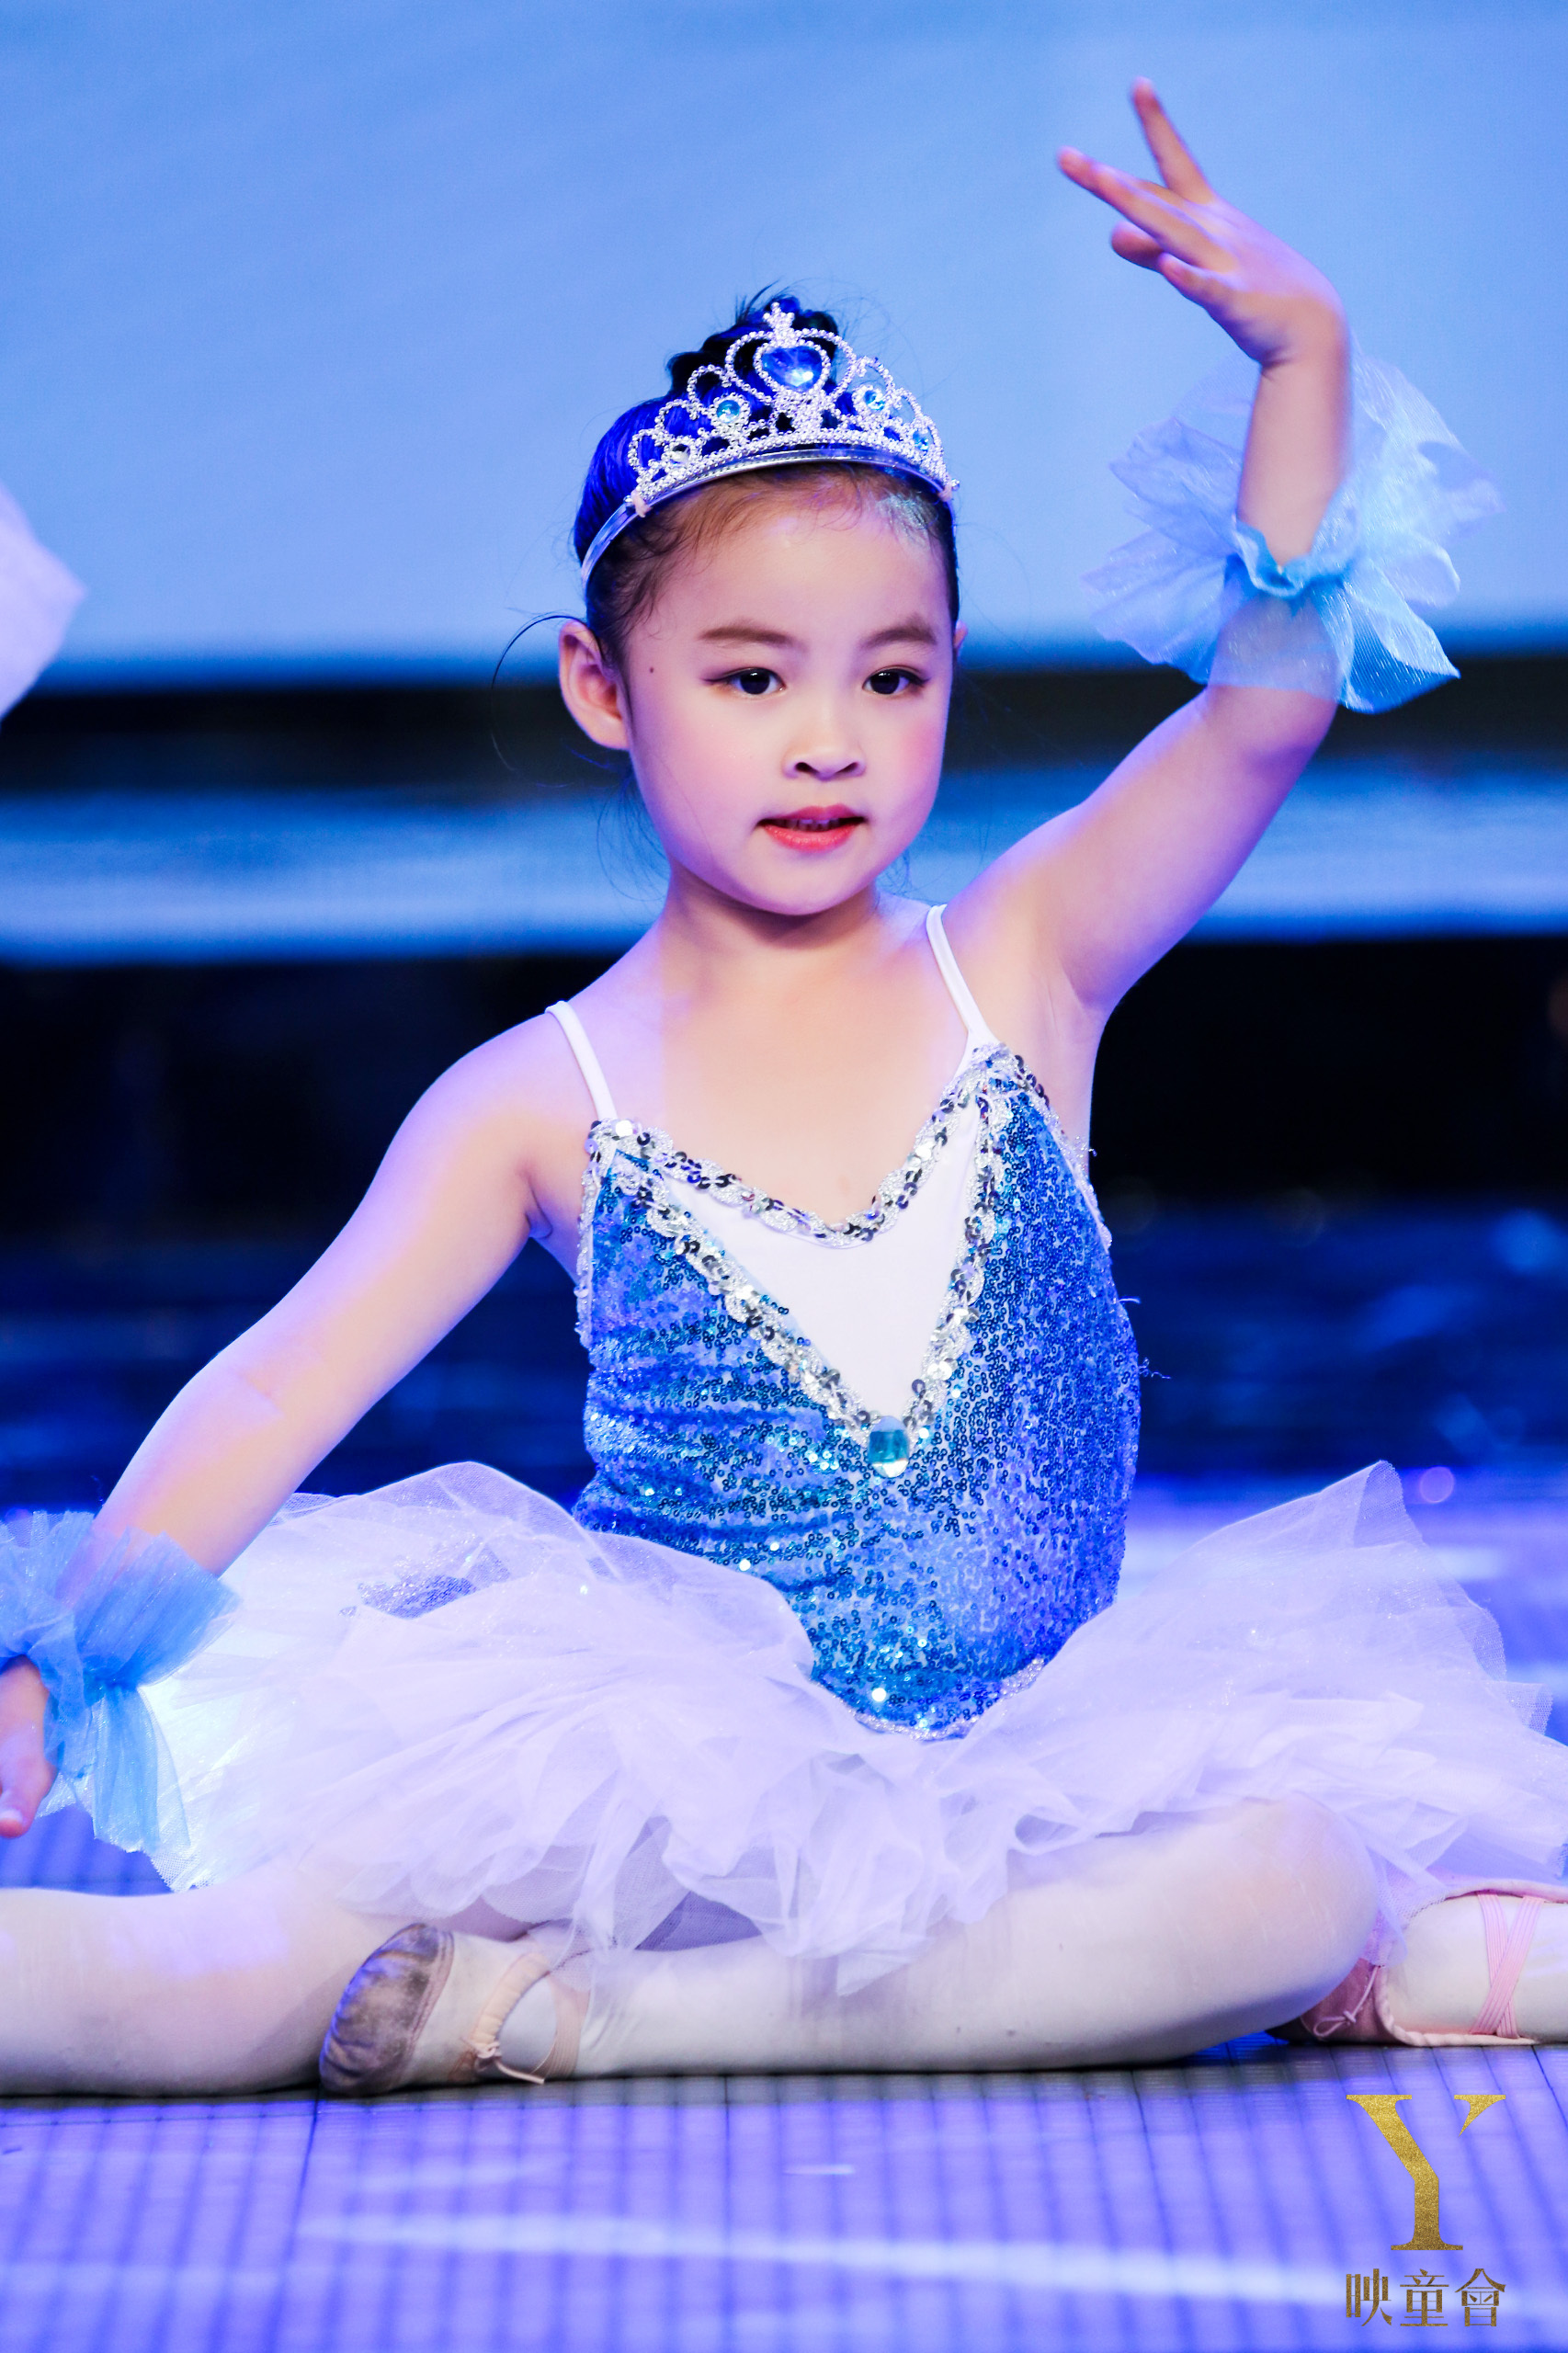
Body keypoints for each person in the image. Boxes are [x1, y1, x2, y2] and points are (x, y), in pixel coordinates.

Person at [1, 85, 1562, 2097]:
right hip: (650, 1776)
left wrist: (1305, 361)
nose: (827, 740)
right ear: (605, 688)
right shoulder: (536, 1092)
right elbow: (271, 1392)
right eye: (751, 677)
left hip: (1027, 1764)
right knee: (212, 1987)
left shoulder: (1021, 959)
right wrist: (55, 1653)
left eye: (890, 677)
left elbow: (1261, 711)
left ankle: (597, 2025)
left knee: (1281, 1876)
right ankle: (636, 1986)